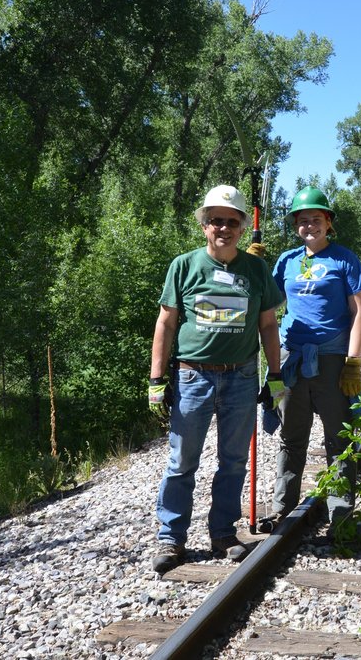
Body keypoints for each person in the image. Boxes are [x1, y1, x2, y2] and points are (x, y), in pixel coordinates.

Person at [148, 184, 285, 573]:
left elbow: (269, 325)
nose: (222, 228)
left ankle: (223, 533)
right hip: (193, 377)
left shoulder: (256, 269)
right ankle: (171, 539)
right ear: (204, 226)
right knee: (181, 462)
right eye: (215, 221)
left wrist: (274, 376)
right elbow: (166, 322)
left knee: (234, 461)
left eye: (231, 221)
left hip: (241, 378)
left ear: (243, 227)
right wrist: (157, 379)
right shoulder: (185, 266)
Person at [258, 186, 361, 536]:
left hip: (333, 360)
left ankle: (340, 514)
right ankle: (282, 508)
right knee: (291, 439)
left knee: (339, 440)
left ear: (328, 222)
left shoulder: (344, 260)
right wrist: (252, 266)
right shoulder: (286, 262)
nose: (310, 226)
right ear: (295, 225)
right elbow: (263, 303)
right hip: (291, 360)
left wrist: (353, 362)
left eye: (316, 219)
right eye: (303, 220)